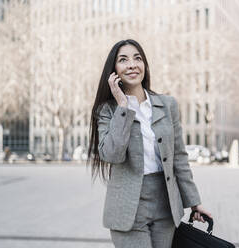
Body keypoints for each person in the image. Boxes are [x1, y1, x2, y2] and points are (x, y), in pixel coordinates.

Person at [87, 39, 212, 248]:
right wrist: (123, 106)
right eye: (123, 60)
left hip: (165, 206)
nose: (132, 64)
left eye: (137, 58)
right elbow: (112, 155)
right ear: (114, 70)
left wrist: (194, 203)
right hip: (128, 210)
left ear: (145, 64)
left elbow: (179, 157)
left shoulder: (167, 104)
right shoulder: (107, 110)